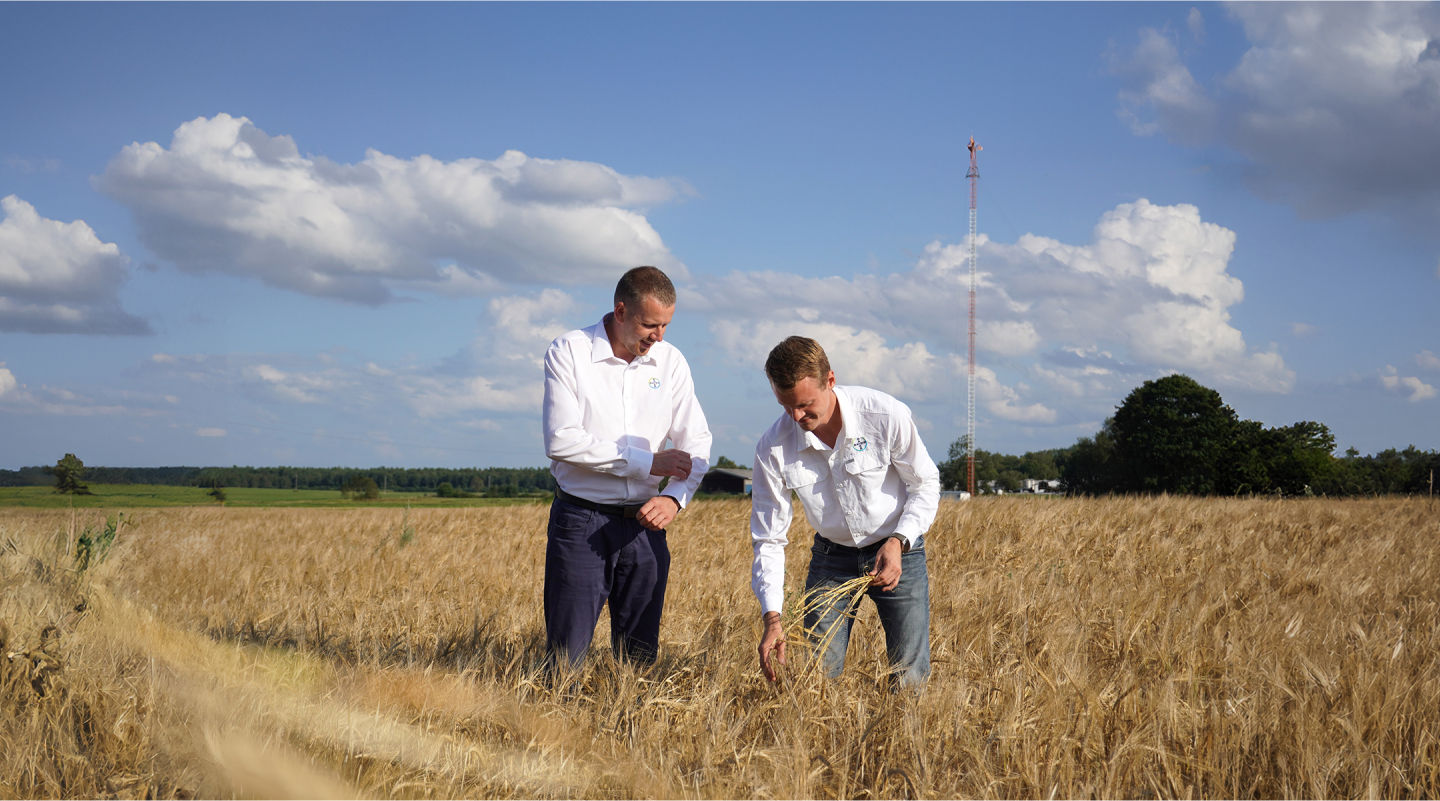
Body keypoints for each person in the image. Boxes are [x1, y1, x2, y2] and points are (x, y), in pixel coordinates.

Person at [541, 265, 712, 669]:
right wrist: (647, 463)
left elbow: (698, 442)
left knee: (639, 661)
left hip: (646, 527)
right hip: (581, 522)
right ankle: (554, 730)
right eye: (650, 324)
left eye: (666, 325)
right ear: (620, 311)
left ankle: (629, 729)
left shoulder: (670, 361)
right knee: (567, 658)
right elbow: (560, 440)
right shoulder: (570, 351)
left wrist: (674, 498)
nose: (659, 337)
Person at [750, 336, 939, 687]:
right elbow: (769, 538)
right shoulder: (773, 447)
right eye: (785, 405)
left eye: (806, 405)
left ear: (831, 381)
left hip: (898, 553)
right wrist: (772, 618)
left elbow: (925, 484)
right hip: (830, 560)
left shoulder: (884, 415)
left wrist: (898, 542)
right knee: (816, 678)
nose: (796, 416)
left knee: (909, 677)